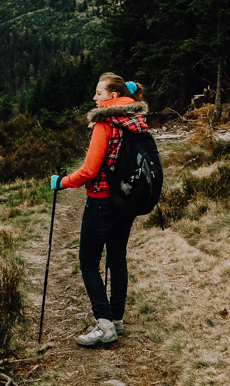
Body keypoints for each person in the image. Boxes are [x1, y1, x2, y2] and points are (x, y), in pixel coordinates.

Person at [50, 72, 149, 347]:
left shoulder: (104, 124)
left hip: (102, 200)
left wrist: (62, 182)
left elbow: (90, 170)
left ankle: (104, 325)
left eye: (99, 93)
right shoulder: (137, 121)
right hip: (127, 200)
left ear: (114, 96)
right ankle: (116, 319)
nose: (94, 98)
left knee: (88, 262)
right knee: (117, 257)